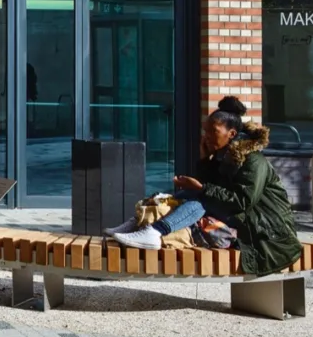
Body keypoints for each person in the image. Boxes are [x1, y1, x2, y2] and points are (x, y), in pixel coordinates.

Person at [109, 97, 301, 275]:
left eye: (213, 131)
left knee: (200, 198)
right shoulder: (224, 156)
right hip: (243, 216)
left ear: (231, 134)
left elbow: (242, 201)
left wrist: (201, 188)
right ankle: (138, 224)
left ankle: (156, 232)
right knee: (186, 192)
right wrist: (205, 160)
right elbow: (213, 188)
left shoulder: (253, 160)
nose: (207, 136)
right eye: (205, 131)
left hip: (265, 228)